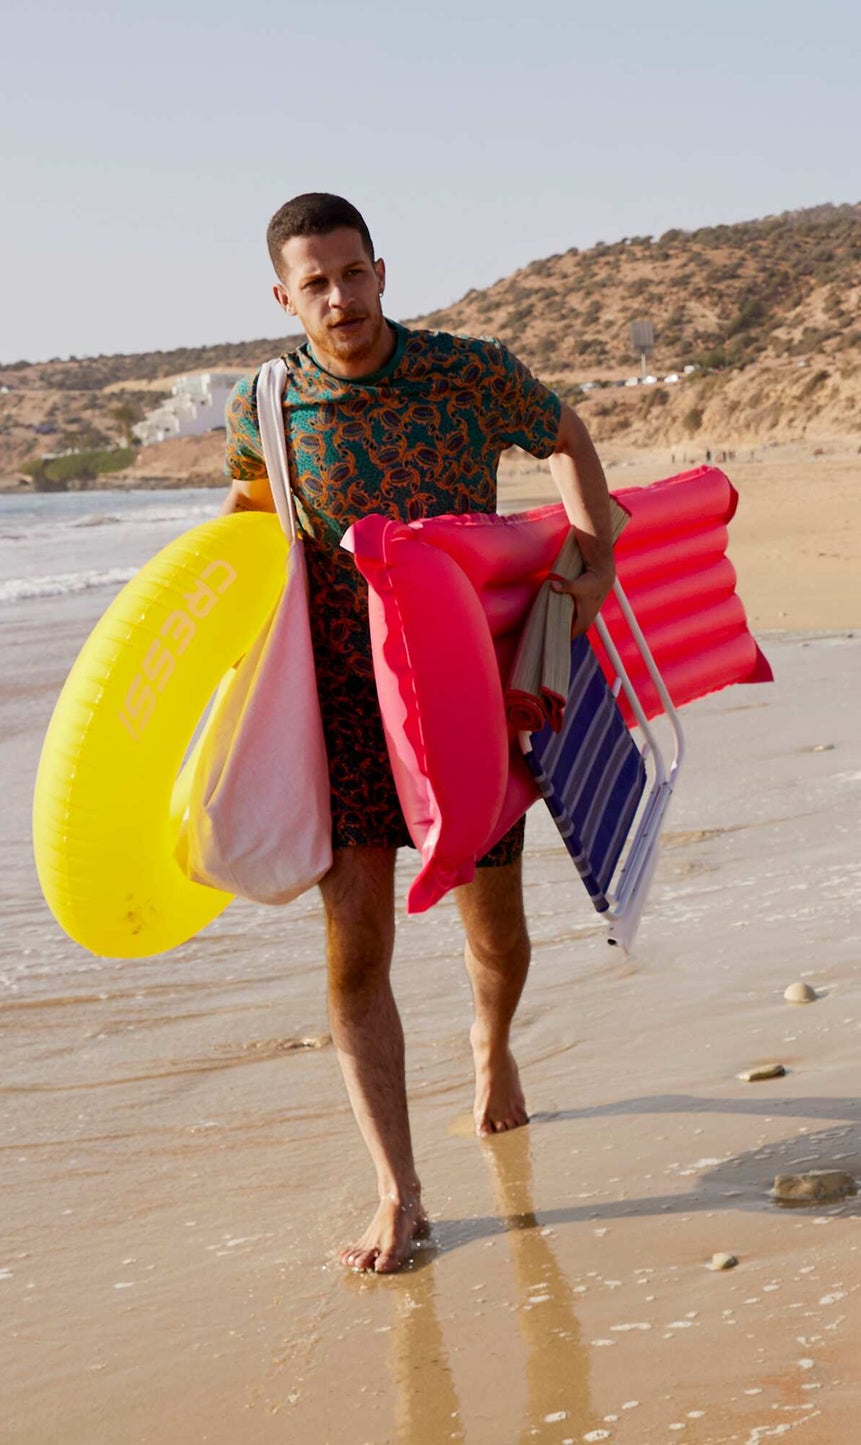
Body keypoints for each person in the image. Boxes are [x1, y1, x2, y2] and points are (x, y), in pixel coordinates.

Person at [221, 193, 615, 1274]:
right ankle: (396, 1188)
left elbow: (564, 436)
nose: (338, 297)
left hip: (458, 702)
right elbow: (252, 527)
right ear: (282, 295)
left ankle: (490, 1046)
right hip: (341, 708)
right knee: (355, 952)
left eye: (352, 274)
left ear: (381, 272)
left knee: (494, 929)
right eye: (314, 282)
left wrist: (594, 560)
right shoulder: (264, 403)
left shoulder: (466, 371)